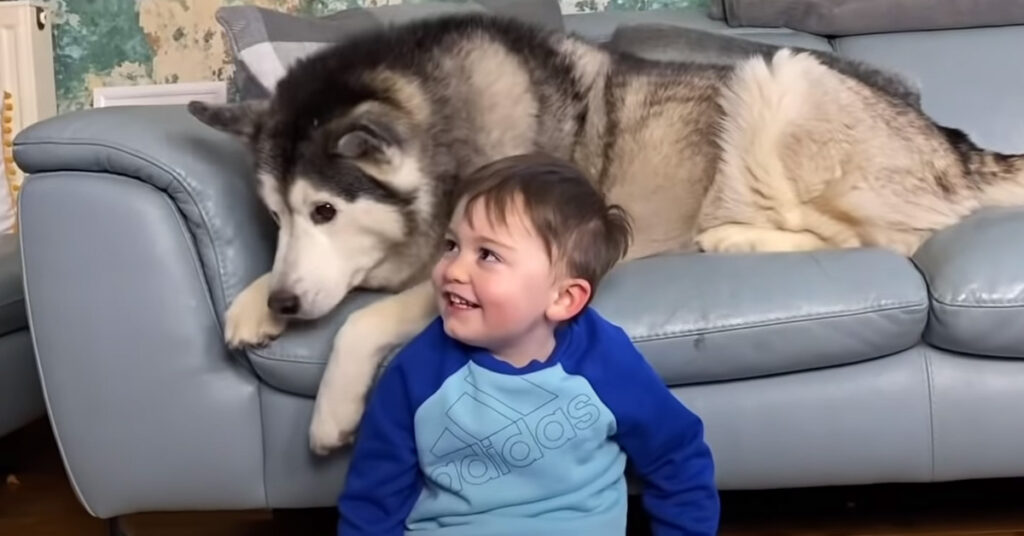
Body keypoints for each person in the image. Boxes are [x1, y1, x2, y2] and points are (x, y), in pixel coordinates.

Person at [337, 153, 720, 535]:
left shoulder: (606, 361)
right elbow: (373, 500)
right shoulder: (417, 371)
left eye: (487, 254)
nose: (453, 269)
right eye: (451, 245)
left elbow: (677, 455)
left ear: (563, 299)